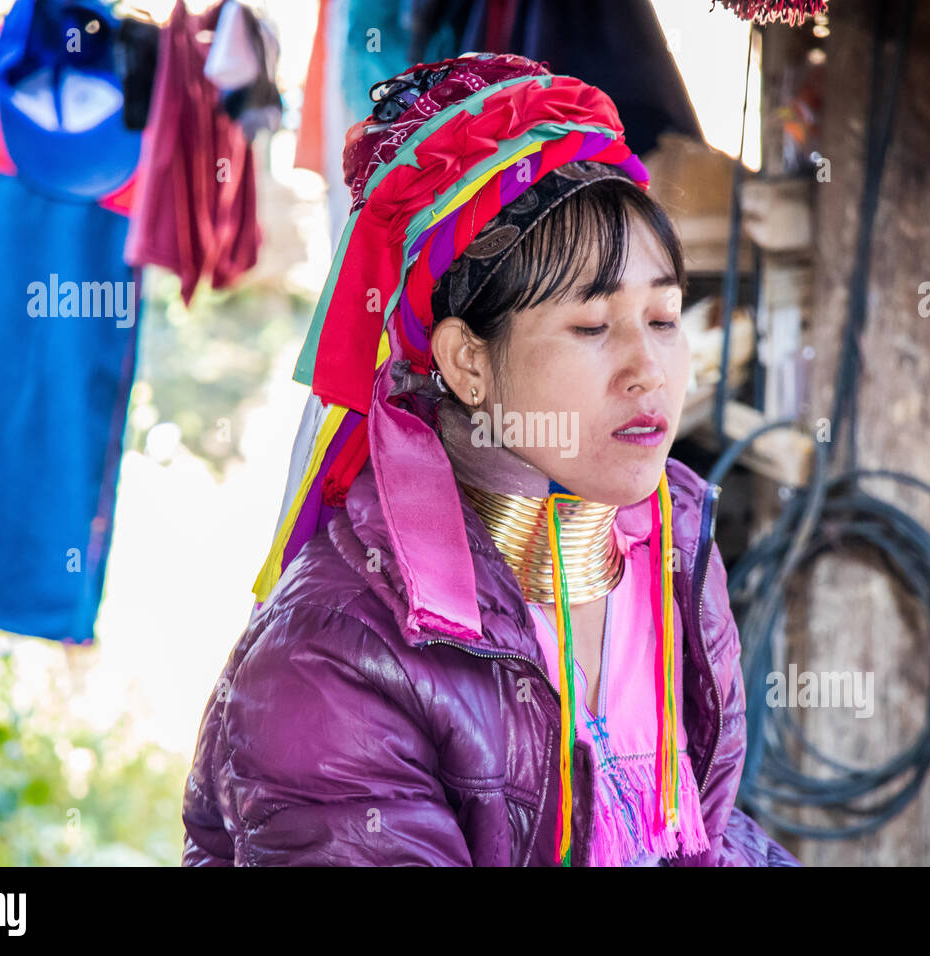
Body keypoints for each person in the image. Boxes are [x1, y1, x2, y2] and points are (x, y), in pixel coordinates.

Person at [182, 51, 800, 867]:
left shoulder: (670, 546)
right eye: (591, 327)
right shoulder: (336, 662)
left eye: (664, 318)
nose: (649, 369)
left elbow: (704, 839)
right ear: (468, 363)